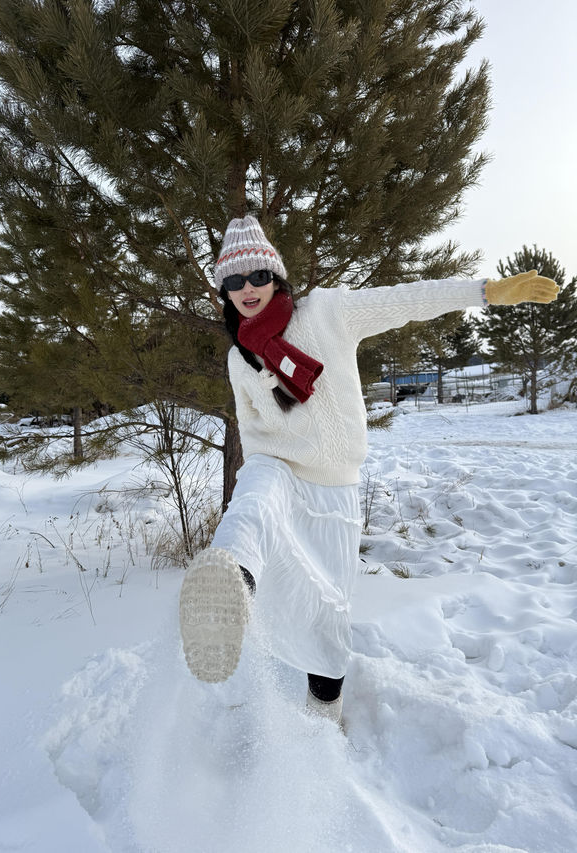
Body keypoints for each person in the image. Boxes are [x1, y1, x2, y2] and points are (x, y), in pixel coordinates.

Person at [179, 216, 558, 725]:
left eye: (257, 277)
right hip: (279, 469)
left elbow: (406, 299)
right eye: (233, 281)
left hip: (335, 488)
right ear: (223, 289)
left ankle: (324, 711)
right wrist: (261, 470)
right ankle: (231, 581)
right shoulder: (238, 356)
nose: (247, 290)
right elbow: (251, 433)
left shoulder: (327, 313)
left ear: (276, 277)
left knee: (328, 610)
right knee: (255, 493)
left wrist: (485, 291)